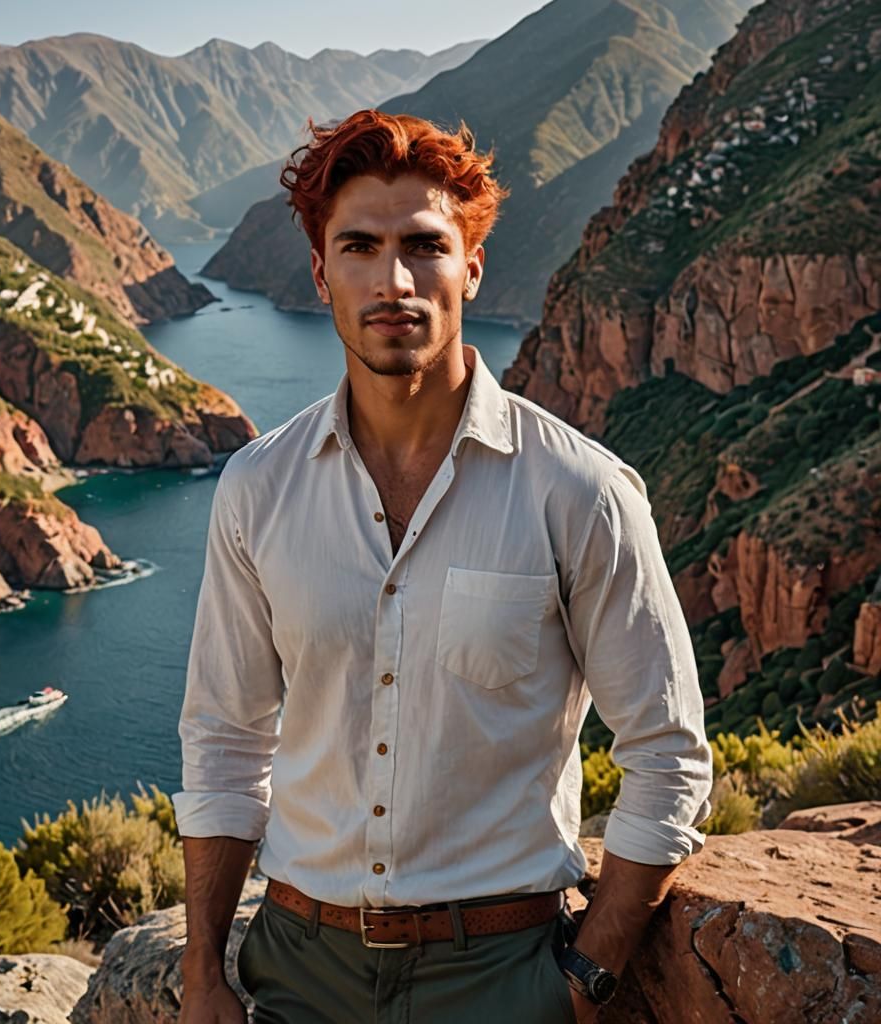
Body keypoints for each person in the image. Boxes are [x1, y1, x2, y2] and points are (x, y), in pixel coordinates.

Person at [173, 108, 714, 1024]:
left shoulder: (579, 491)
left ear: (472, 266)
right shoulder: (258, 488)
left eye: (424, 246)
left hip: (502, 976)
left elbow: (668, 754)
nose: (393, 281)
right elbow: (226, 742)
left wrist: (584, 983)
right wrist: (201, 974)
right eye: (359, 247)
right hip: (300, 972)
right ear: (321, 274)